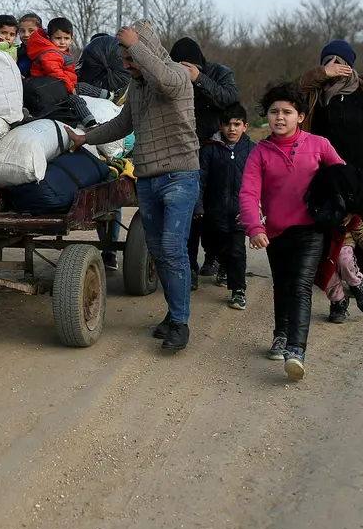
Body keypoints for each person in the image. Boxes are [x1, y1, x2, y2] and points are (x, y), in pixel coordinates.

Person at [68, 20, 199, 351]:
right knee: (158, 250)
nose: (127, 67)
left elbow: (167, 83)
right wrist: (85, 137)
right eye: (124, 61)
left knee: (171, 248)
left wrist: (136, 46)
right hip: (149, 178)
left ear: (147, 51)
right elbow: (122, 123)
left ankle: (181, 325)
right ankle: (174, 314)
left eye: (131, 60)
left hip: (180, 176)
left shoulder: (177, 75)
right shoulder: (138, 88)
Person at [239, 81, 344, 379]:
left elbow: (342, 176)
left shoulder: (319, 145)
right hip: (275, 233)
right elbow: (248, 193)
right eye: (274, 112)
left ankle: (296, 351)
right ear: (267, 117)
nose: (280, 117)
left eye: (287, 111)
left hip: (311, 230)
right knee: (282, 285)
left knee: (300, 286)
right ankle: (280, 334)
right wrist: (254, 227)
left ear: (300, 116)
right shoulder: (260, 152)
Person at [299, 40, 363, 284]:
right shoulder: (315, 93)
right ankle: (335, 286)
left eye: (340, 61)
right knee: (332, 225)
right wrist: (321, 75)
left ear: (350, 65)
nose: (335, 66)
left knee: (361, 225)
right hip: (329, 172)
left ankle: (360, 280)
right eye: (328, 61)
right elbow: (292, 90)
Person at [169, 37, 240, 286]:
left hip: (218, 148)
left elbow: (230, 100)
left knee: (218, 210)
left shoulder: (219, 73)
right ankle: (190, 267)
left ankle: (217, 257)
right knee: (190, 212)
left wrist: (199, 79)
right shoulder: (171, 74)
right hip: (186, 149)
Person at [303, 163, 363, 324]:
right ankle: (339, 302)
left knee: (344, 260)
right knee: (328, 277)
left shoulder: (353, 211)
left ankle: (357, 284)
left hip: (343, 241)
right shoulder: (314, 205)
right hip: (320, 244)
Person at [78, 32, 133, 269]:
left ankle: (108, 252)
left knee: (109, 200)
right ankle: (108, 252)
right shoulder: (125, 84)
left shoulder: (127, 85)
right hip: (109, 146)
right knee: (111, 201)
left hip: (103, 144)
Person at [195, 103, 256, 311]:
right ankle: (223, 264)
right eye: (228, 124)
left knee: (237, 251)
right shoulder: (209, 149)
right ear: (220, 126)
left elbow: (260, 181)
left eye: (237, 124)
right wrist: (199, 205)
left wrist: (255, 210)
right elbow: (201, 179)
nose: (232, 129)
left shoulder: (253, 150)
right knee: (214, 245)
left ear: (245, 126)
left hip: (240, 212)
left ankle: (238, 290)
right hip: (214, 210)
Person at [27, 17, 99, 128]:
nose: (62, 42)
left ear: (71, 39)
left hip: (58, 86)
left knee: (83, 87)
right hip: (49, 89)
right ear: (49, 38)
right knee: (76, 100)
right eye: (58, 38)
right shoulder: (50, 53)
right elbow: (55, 73)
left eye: (66, 38)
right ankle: (90, 124)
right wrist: (70, 88)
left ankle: (111, 95)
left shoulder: (58, 52)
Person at [16, 12, 43, 77]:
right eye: (22, 31)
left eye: (31, 31)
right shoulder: (17, 52)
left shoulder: (46, 51)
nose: (26, 35)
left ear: (40, 31)